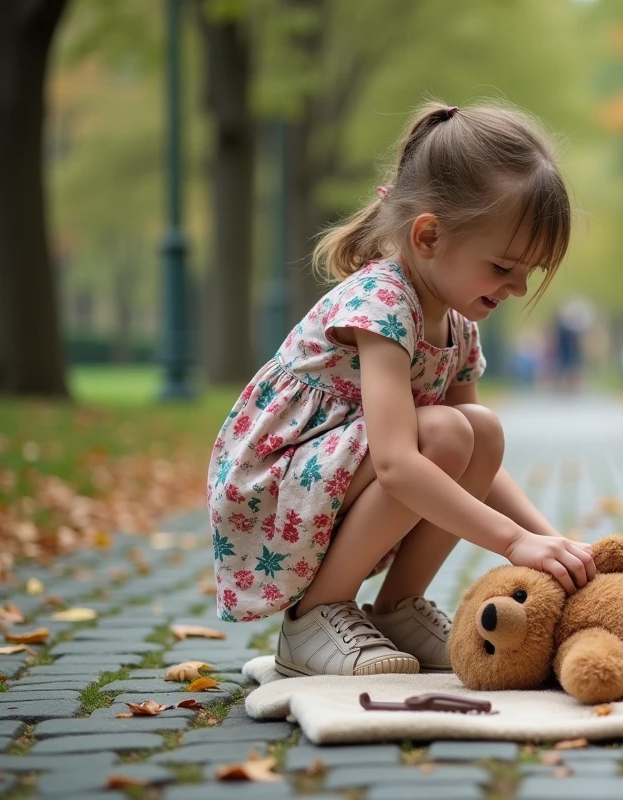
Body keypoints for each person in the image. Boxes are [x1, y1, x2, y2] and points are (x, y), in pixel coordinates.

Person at [206, 101, 595, 678]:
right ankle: (312, 618)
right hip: (276, 484)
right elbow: (396, 464)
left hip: (339, 478)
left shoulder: (458, 323)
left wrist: (554, 543)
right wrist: (512, 544)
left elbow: (479, 460)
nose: (516, 286)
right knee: (439, 432)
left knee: (478, 430)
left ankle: (396, 611)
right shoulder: (382, 304)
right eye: (504, 266)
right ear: (430, 235)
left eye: (529, 273)